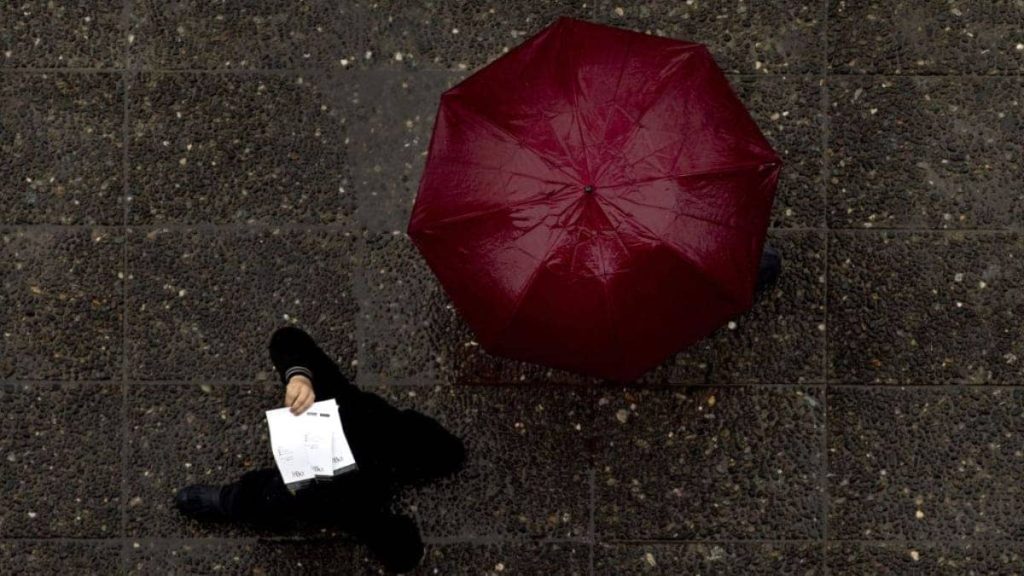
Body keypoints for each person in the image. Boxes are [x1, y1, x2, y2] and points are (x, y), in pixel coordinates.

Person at [174, 326, 466, 573]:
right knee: (439, 460)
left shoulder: (360, 425)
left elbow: (287, 339)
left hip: (340, 491)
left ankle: (228, 500)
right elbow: (286, 339)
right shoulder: (345, 404)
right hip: (366, 454)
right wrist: (300, 377)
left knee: (279, 496)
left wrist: (300, 377)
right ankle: (229, 500)